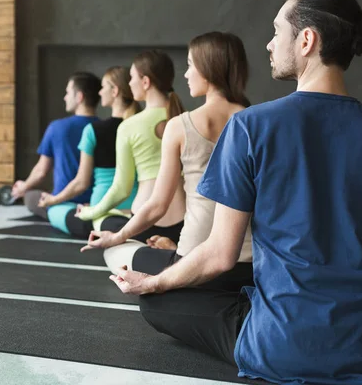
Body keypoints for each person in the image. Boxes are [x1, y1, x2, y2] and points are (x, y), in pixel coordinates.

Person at [108, 0, 362, 383]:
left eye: (276, 32)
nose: (269, 45)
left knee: (157, 304)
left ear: (306, 40)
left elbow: (219, 256)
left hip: (281, 347)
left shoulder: (251, 127)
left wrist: (155, 282)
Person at [82, 32, 253, 290]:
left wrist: (116, 237)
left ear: (207, 70)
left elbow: (157, 205)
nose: (185, 75)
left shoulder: (180, 126)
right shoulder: (257, 121)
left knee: (113, 253)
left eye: (190, 65)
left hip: (194, 258)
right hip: (249, 262)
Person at [76, 50, 187, 244]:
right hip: (185, 221)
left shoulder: (129, 126)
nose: (129, 83)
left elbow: (122, 189)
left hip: (144, 222)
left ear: (145, 82)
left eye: (132, 78)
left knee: (103, 226)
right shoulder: (187, 119)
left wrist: (90, 212)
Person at [37, 67, 140, 237]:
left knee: (47, 206)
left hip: (101, 212)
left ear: (114, 91)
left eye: (103, 87)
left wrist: (53, 200)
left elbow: (81, 182)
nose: (100, 93)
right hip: (136, 209)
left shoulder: (93, 130)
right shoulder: (140, 126)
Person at [11, 72, 100, 220]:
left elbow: (41, 171)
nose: (65, 97)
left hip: (63, 201)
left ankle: (62, 214)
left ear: (79, 97)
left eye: (67, 92)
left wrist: (23, 187)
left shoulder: (57, 127)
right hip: (95, 201)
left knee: (31, 196)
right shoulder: (105, 128)